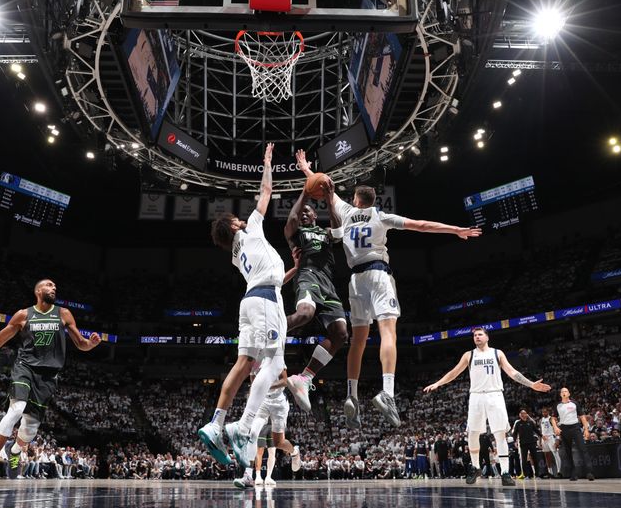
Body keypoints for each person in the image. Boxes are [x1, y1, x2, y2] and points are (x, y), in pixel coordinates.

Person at [297, 154, 483, 428]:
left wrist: (305, 168)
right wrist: (455, 230)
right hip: (378, 274)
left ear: (356, 200)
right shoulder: (381, 216)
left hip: (355, 281)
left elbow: (323, 185)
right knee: (388, 333)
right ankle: (387, 392)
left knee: (358, 341)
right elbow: (420, 225)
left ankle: (352, 395)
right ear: (373, 202)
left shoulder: (346, 212)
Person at [198, 143, 299, 469]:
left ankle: (216, 422)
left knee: (243, 364)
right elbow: (266, 190)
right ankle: (243, 428)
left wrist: (291, 271)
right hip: (266, 301)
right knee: (273, 362)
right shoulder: (252, 227)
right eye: (237, 219)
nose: (243, 218)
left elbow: (271, 277)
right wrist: (267, 162)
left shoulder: (233, 254)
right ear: (236, 226)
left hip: (252, 300)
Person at [0, 279, 102, 491]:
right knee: (16, 410)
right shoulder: (23, 315)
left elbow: (81, 344)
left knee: (29, 430)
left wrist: (91, 344)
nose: (53, 287)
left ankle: (16, 450)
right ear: (38, 291)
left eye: (55, 286)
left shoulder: (63, 314)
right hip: (25, 368)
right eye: (49, 285)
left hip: (47, 377)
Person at [424, 327, 551, 487]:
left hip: (495, 394)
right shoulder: (468, 355)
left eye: (480, 334)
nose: (476, 337)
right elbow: (454, 372)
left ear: (487, 337)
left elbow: (512, 372)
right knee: (472, 433)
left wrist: (531, 384)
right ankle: (476, 467)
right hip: (476, 395)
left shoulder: (497, 353)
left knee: (500, 435)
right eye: (474, 335)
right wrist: (438, 383)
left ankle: (505, 472)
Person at [284, 156, 349, 412]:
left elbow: (339, 230)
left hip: (328, 283)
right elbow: (290, 220)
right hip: (308, 276)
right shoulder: (297, 232)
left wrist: (331, 198)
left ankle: (305, 377)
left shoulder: (324, 232)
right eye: (303, 212)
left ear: (315, 215)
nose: (305, 213)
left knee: (341, 334)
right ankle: (273, 330)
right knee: (305, 314)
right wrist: (305, 191)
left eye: (309, 210)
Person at [550, 387, 594, 481]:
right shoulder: (557, 405)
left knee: (583, 449)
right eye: (562, 391)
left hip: (575, 427)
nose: (564, 393)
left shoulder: (574, 403)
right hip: (564, 429)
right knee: (568, 452)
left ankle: (589, 472)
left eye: (565, 391)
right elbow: (553, 418)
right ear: (560, 394)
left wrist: (586, 429)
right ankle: (573, 474)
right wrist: (555, 427)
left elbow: (582, 417)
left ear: (569, 393)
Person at [511, 409, 545, 479]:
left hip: (532, 443)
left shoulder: (530, 422)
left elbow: (536, 430)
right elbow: (514, 433)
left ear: (527, 414)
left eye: (525, 413)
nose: (524, 415)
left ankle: (537, 475)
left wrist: (542, 436)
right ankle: (526, 475)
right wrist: (515, 441)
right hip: (523, 444)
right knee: (524, 460)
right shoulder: (518, 423)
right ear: (520, 415)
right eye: (522, 414)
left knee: (535, 458)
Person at [539, 406, 561, 477]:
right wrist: (540, 440)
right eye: (543, 412)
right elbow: (541, 431)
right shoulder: (541, 420)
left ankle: (559, 471)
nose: (544, 413)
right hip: (544, 438)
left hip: (551, 437)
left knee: (555, 453)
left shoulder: (552, 419)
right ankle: (550, 472)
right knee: (547, 455)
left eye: (545, 412)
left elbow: (557, 429)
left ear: (548, 412)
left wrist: (557, 439)